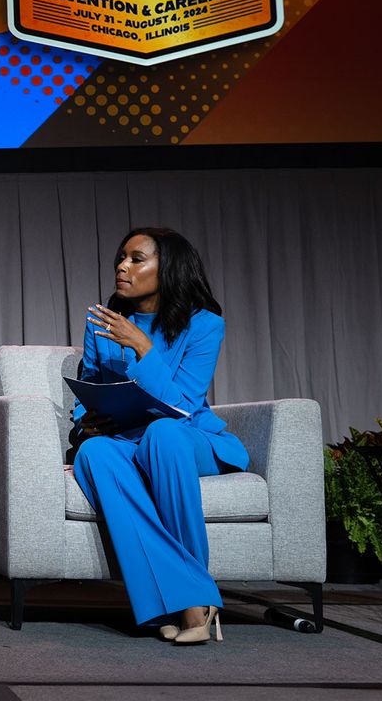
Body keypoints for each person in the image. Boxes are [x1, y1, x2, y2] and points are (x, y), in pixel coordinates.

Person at [67, 227, 248, 645]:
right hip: (125, 438)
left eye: (136, 258)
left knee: (162, 433)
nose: (122, 266)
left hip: (186, 438)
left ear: (168, 269)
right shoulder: (103, 324)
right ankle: (184, 603)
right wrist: (86, 420)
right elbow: (91, 384)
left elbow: (183, 404)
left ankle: (188, 604)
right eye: (122, 257)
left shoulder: (205, 326)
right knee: (93, 453)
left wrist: (144, 349)